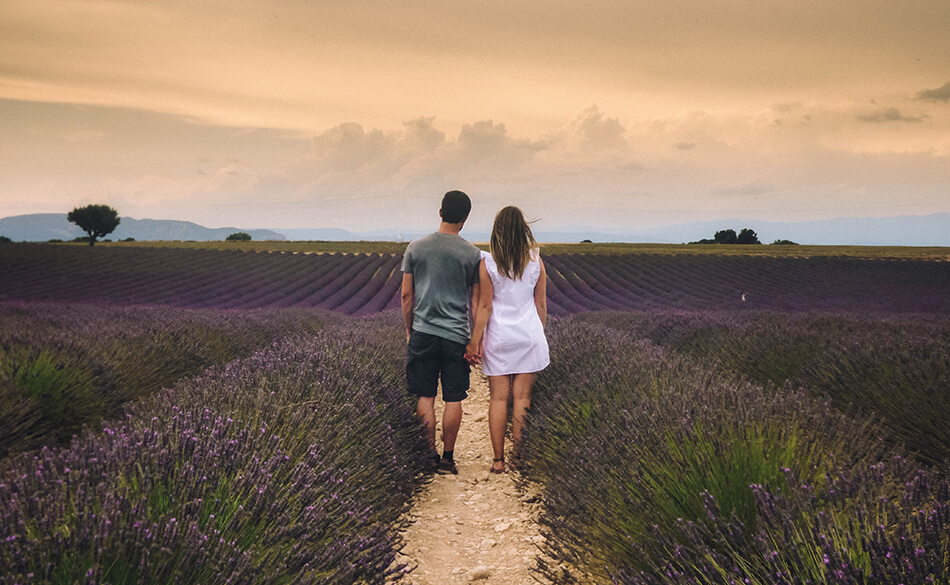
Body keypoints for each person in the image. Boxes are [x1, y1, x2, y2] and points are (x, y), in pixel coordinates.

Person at [402, 190, 482, 475]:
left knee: (425, 396)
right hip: (456, 335)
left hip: (423, 331)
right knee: (453, 397)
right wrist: (474, 340)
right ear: (466, 218)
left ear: (440, 212)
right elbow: (475, 300)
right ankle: (448, 458)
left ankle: (428, 457)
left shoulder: (415, 248)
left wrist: (410, 331)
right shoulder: (472, 253)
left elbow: (406, 295)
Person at [465, 206, 549, 474]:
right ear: (523, 229)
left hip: (499, 338)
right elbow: (541, 304)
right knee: (522, 397)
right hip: (528, 336)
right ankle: (518, 458)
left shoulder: (488, 263)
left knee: (498, 399)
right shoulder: (536, 259)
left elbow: (485, 307)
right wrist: (538, 333)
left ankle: (498, 460)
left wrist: (474, 342)